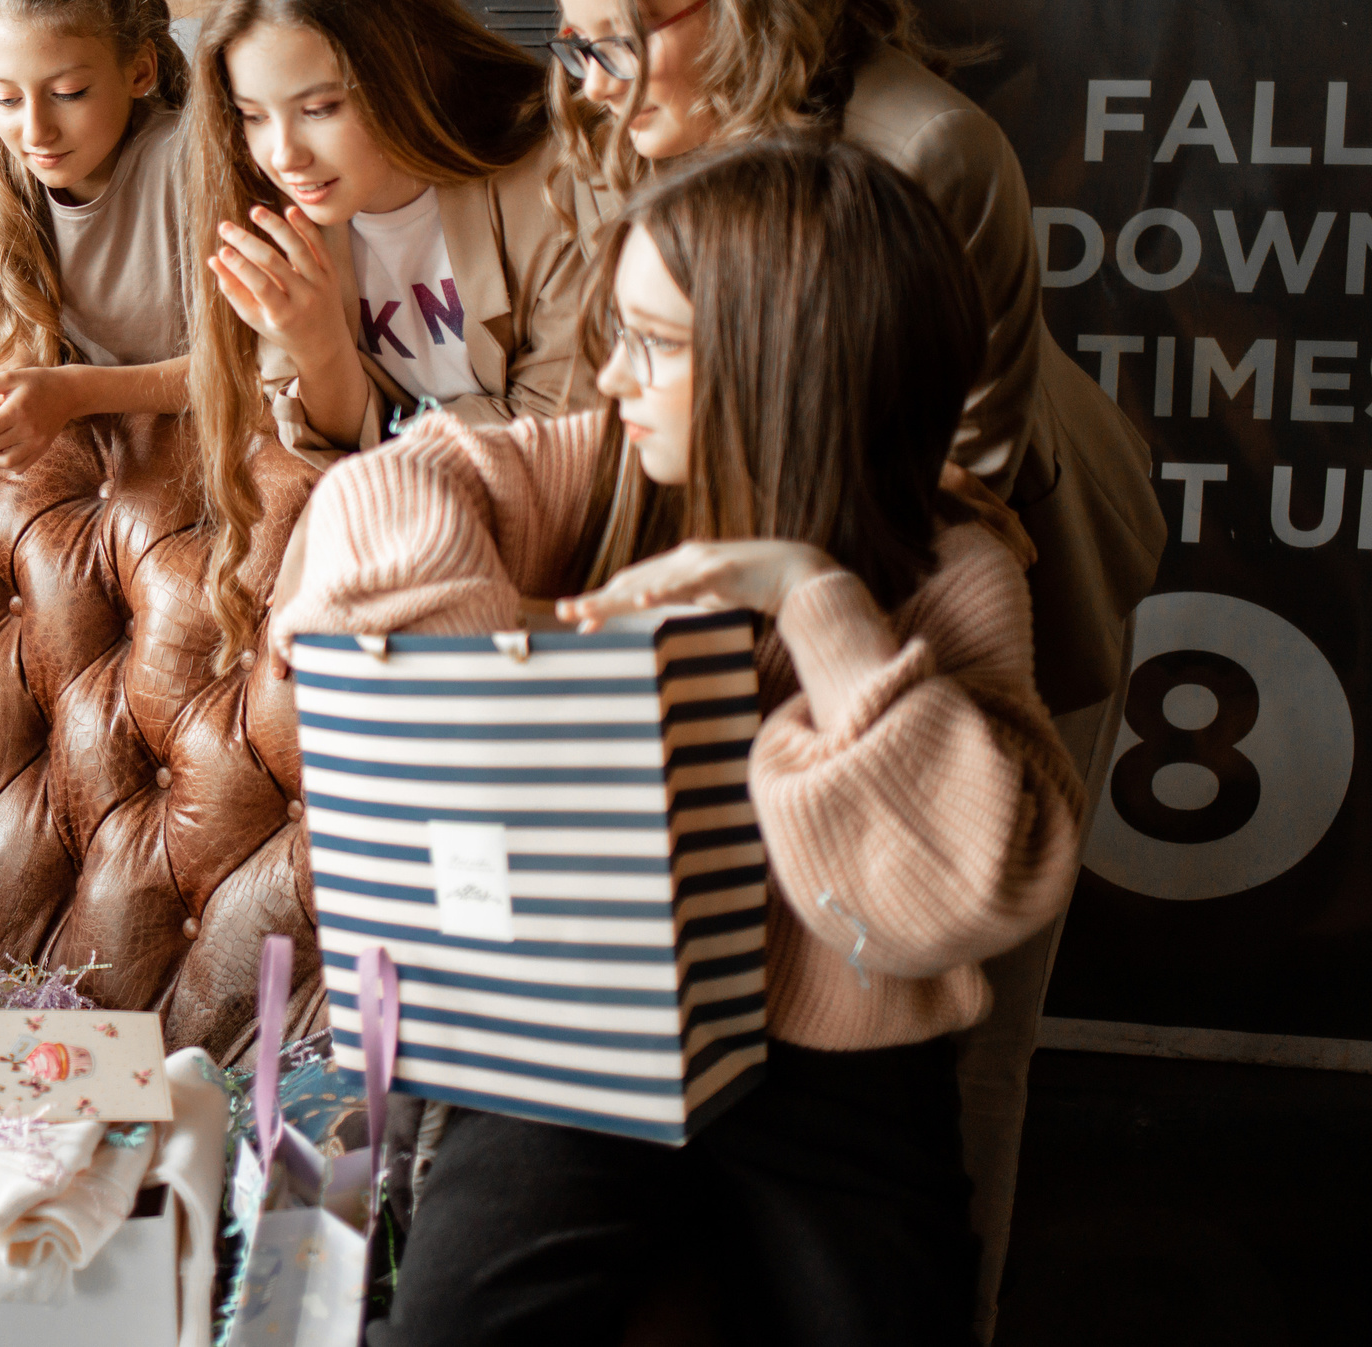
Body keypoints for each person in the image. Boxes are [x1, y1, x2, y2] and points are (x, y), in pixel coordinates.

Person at [273, 139, 1084, 1347]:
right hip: (574, 1040)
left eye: (652, 343)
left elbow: (959, 892)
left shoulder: (951, 568)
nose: (611, 377)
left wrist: (815, 603)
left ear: (783, 364)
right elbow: (384, 486)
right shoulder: (605, 471)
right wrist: (499, 677)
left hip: (836, 1073)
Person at [543, 0, 1165, 1333]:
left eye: (627, 37)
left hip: (978, 589)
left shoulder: (930, 152)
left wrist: (797, 627)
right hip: (761, 586)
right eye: (577, 39)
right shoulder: (629, 118)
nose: (596, 81)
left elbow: (942, 490)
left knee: (950, 1029)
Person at [187, 0, 575, 665]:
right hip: (407, 551)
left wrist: (380, 446)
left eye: (320, 108)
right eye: (253, 116)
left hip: (552, 553)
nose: (283, 153)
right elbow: (330, 450)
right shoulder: (272, 206)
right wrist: (321, 350)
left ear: (408, 63)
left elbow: (558, 437)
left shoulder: (553, 177)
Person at [0, 0, 193, 474]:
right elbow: (19, 338)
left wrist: (74, 392)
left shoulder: (186, 164)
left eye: (68, 94)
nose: (36, 131)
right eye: (6, 99)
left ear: (140, 72)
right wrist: (6, 399)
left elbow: (252, 369)